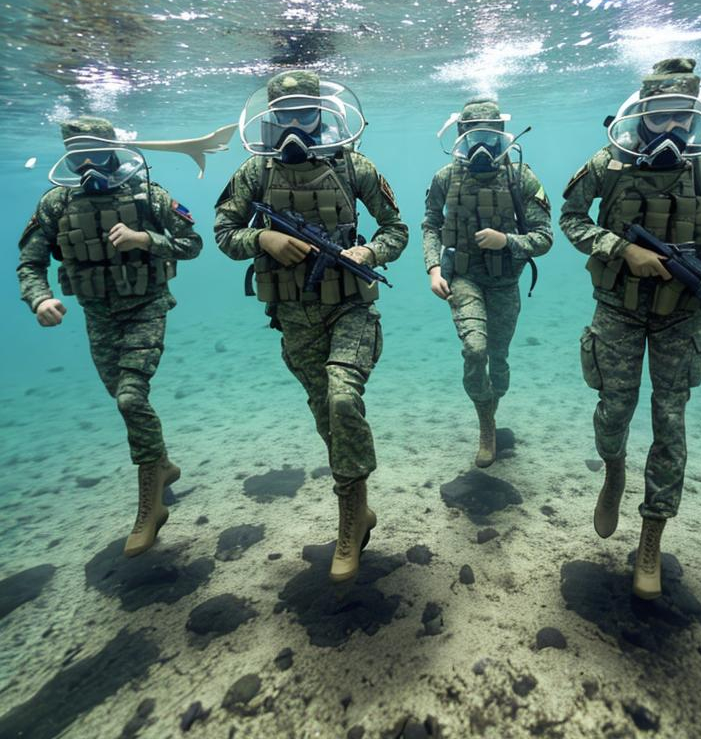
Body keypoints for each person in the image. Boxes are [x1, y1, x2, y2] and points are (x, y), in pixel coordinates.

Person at [560, 59, 701, 599]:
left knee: (670, 422)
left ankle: (651, 534)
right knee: (613, 409)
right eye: (661, 118)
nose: (670, 133)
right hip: (618, 309)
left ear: (696, 120)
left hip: (682, 317)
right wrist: (622, 249)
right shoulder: (608, 163)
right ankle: (613, 468)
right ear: (641, 114)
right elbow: (572, 219)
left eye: (682, 121)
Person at [214, 70, 408, 583]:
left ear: (323, 115)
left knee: (343, 400)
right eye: (285, 116)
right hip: (292, 317)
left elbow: (397, 229)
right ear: (270, 119)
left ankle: (350, 514)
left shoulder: (354, 167)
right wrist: (264, 242)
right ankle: (358, 507)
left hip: (350, 307)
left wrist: (368, 250)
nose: (296, 126)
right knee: (326, 416)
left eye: (306, 114)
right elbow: (223, 233)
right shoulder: (254, 173)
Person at [17, 116, 202, 558]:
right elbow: (30, 264)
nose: (89, 164)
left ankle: (149, 503)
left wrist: (145, 238)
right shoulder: (55, 205)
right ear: (68, 157)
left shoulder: (149, 196)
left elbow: (192, 244)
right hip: (97, 316)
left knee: (131, 398)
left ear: (114, 151)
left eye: (96, 153)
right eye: (79, 155)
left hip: (147, 307)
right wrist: (40, 300)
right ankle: (162, 463)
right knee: (120, 396)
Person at [422, 98, 553, 467]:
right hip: (463, 279)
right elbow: (431, 224)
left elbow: (544, 237)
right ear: (460, 137)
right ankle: (486, 425)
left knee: (499, 360)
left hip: (504, 283)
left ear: (503, 137)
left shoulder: (520, 178)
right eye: (473, 137)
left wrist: (507, 241)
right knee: (475, 350)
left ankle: (491, 408)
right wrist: (434, 268)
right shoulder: (445, 178)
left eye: (490, 137)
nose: (482, 147)